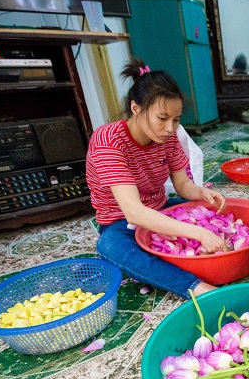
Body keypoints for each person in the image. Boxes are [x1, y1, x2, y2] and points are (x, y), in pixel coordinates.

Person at [86, 57, 228, 299]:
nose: (171, 128)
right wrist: (200, 234)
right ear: (135, 108)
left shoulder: (167, 138)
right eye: (162, 118)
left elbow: (182, 185)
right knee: (110, 247)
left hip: (160, 208)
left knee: (227, 209)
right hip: (122, 222)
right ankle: (196, 287)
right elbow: (134, 213)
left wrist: (201, 193)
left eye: (176, 120)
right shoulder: (108, 141)